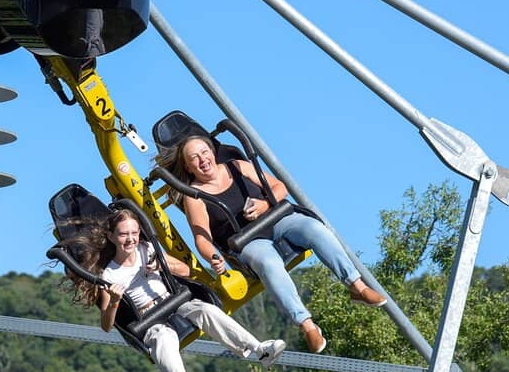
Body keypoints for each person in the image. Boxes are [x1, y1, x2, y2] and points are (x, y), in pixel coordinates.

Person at [158, 135, 386, 354]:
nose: (202, 160)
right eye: (194, 158)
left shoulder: (237, 166)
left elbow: (279, 187)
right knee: (268, 262)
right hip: (248, 240)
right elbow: (202, 237)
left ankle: (357, 286)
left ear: (212, 152)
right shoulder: (194, 196)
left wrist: (264, 204)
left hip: (276, 219)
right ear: (188, 167)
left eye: (204, 152)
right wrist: (214, 258)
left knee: (314, 228)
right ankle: (307, 325)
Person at [61, 208, 286, 372]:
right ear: (111, 237)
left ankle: (259, 350)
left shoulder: (147, 249)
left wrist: (162, 264)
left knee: (204, 309)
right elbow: (107, 325)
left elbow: (186, 272)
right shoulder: (108, 275)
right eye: (123, 234)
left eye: (134, 233)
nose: (130, 239)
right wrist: (115, 300)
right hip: (148, 317)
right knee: (162, 335)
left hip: (174, 301)